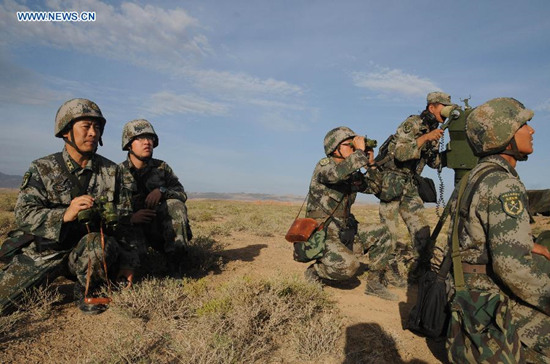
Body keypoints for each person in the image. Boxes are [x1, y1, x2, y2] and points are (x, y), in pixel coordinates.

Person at [0, 98, 138, 315]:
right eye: (86, 127)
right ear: (66, 131)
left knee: (98, 243)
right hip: (46, 250)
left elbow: (126, 222)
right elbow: (23, 214)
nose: (93, 133)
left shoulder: (113, 172)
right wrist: (65, 214)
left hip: (88, 253)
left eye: (97, 127)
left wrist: (129, 264)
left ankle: (89, 290)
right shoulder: (43, 168)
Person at [446, 97, 550, 362]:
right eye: (524, 124)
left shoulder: (473, 176)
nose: (532, 130)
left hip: (465, 291)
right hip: (489, 299)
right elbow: (511, 268)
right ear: (503, 134)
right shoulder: (503, 184)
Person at [365, 91, 452, 282]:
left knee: (421, 229)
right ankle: (384, 273)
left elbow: (434, 162)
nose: (446, 112)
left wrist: (453, 154)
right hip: (392, 181)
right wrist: (426, 138)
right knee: (390, 231)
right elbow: (401, 153)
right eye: (443, 107)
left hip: (410, 183)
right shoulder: (413, 123)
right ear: (432, 107)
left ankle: (420, 272)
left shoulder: (434, 128)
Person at [298, 127, 385, 288]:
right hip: (324, 232)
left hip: (345, 229)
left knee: (383, 233)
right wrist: (359, 152)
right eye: (349, 144)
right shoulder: (324, 166)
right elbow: (337, 174)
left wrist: (371, 164)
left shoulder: (352, 172)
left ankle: (374, 284)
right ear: (334, 148)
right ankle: (316, 271)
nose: (353, 148)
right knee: (349, 267)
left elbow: (375, 187)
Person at [119, 119, 191, 277]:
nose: (147, 142)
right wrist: (131, 218)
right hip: (132, 228)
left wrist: (162, 191)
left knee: (176, 205)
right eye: (140, 138)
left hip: (158, 227)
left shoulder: (162, 167)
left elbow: (181, 193)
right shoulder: (117, 172)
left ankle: (175, 265)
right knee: (139, 268)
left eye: (150, 138)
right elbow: (110, 208)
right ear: (129, 143)